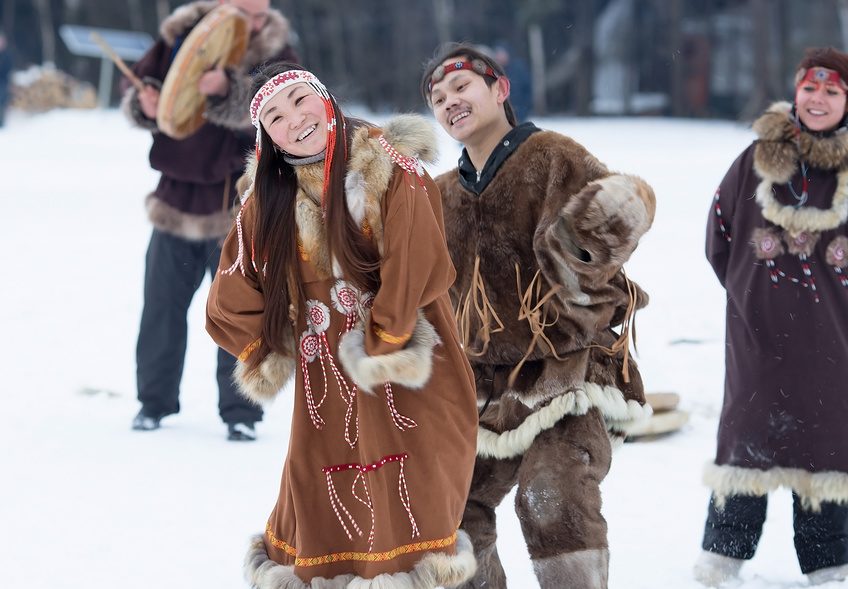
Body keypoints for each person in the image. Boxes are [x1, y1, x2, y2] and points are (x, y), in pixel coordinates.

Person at [205, 62, 479, 588]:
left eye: (299, 100)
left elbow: (416, 262)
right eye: (275, 117)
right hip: (327, 394)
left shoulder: (388, 163)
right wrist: (283, 340)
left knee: (417, 522)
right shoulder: (265, 200)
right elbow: (229, 303)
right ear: (267, 137)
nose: (294, 120)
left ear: (325, 98)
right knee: (324, 522)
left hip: (413, 377)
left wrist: (380, 341)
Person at [421, 42, 655, 588]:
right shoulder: (439, 195)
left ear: (500, 89)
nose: (451, 102)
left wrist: (582, 258)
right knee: (446, 510)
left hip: (565, 375)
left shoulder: (554, 157)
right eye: (438, 98)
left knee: (550, 493)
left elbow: (614, 223)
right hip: (482, 389)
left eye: (461, 87)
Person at [695, 46, 848, 587]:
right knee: (746, 445)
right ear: (796, 91)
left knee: (829, 451)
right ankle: (722, 559)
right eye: (810, 87)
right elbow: (719, 236)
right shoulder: (754, 161)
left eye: (832, 90)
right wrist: (751, 294)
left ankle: (830, 565)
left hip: (835, 346)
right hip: (758, 341)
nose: (818, 98)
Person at [121, 0, 298, 440]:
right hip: (175, 200)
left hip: (237, 204)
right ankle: (153, 403)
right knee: (161, 308)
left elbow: (289, 117)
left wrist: (228, 90)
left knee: (240, 312)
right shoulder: (181, 35)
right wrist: (147, 101)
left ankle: (241, 412)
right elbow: (142, 84)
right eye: (244, 11)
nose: (252, 23)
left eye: (260, 15)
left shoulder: (277, 51)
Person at [492, 41, 532, 122]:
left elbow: (528, 88)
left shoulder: (519, 68)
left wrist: (524, 108)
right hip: (503, 115)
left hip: (520, 112)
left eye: (502, 53)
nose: (500, 56)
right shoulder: (494, 71)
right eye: (498, 54)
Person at [0, 32, 13, 127]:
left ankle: (1, 121)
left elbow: (8, 69)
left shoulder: (7, 55)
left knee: (2, 100)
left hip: (3, 81)